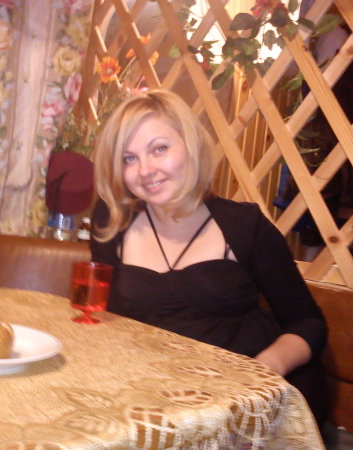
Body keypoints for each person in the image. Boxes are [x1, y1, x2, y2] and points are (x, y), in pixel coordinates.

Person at [89, 89, 328, 426]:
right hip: (162, 393)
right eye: (129, 158)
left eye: (159, 149)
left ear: (190, 146)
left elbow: (308, 323)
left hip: (250, 396)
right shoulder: (113, 222)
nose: (145, 170)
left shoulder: (244, 225)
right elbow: (110, 319)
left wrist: (264, 369)